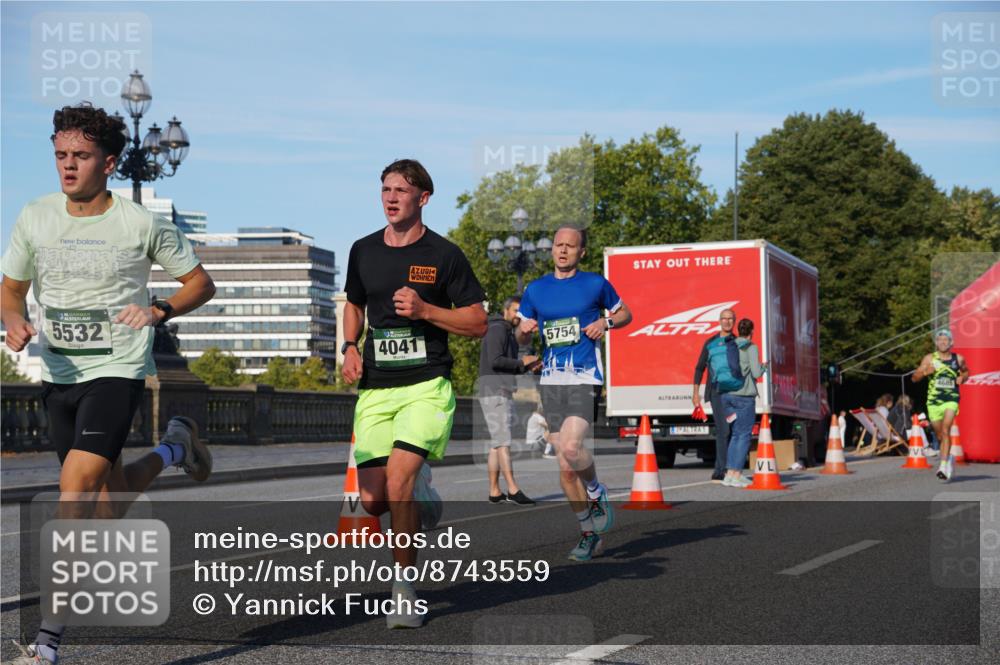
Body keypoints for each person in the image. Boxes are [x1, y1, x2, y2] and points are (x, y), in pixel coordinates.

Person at [1, 104, 216, 665]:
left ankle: (47, 641)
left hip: (116, 372)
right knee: (106, 507)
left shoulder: (140, 224)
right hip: (60, 376)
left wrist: (160, 310)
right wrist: (13, 320)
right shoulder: (35, 216)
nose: (67, 167)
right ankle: (175, 447)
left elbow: (200, 283)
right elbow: (10, 287)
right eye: (60, 156)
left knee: (74, 495)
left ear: (111, 162)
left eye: (80, 156)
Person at [341, 159, 487, 628]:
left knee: (399, 480)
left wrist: (425, 309)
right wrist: (348, 346)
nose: (390, 197)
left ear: (423, 197)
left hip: (426, 384)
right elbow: (353, 304)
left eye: (401, 190)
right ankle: (421, 490)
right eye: (385, 189)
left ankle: (403, 591)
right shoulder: (363, 250)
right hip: (377, 388)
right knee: (374, 501)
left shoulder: (444, 255)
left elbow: (478, 322)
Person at [516, 224, 632, 561]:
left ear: (582, 252)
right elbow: (523, 336)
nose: (563, 250)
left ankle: (596, 491)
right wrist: (523, 332)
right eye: (558, 245)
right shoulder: (536, 290)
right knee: (566, 469)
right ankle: (588, 533)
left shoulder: (595, 283)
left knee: (570, 446)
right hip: (551, 381)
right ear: (551, 249)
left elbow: (626, 313)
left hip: (584, 375)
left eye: (571, 246)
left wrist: (605, 323)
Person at [478, 295, 539, 505]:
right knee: (504, 442)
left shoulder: (506, 332)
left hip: (498, 390)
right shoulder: (498, 329)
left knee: (497, 443)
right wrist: (523, 361)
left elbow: (506, 365)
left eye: (521, 313)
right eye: (515, 311)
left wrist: (526, 365)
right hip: (495, 391)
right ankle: (513, 489)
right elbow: (496, 361)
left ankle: (494, 491)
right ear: (506, 311)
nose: (517, 316)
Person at [912, 329, 969, 482]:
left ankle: (943, 466)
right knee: (940, 435)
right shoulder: (929, 359)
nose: (943, 342)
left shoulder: (959, 359)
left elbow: (966, 372)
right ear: (936, 343)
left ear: (951, 343)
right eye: (940, 340)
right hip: (933, 402)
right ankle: (948, 457)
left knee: (946, 429)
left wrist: (962, 378)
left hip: (951, 399)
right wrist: (925, 372)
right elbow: (914, 378)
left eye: (946, 340)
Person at [719, 318, 768, 487]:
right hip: (744, 397)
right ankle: (737, 474)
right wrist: (764, 367)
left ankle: (729, 474)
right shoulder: (751, 347)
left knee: (735, 435)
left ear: (738, 330)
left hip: (727, 396)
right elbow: (755, 373)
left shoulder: (729, 345)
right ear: (751, 331)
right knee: (744, 435)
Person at [692, 308, 738, 482]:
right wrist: (695, 393)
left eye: (730, 319)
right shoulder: (710, 342)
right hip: (717, 392)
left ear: (734, 321)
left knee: (735, 430)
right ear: (719, 321)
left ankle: (733, 468)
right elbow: (699, 368)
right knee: (723, 430)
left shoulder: (738, 343)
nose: (727, 322)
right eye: (724, 318)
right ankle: (720, 470)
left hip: (736, 393)